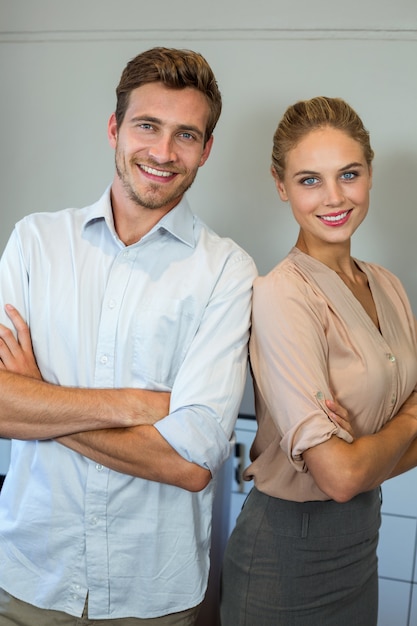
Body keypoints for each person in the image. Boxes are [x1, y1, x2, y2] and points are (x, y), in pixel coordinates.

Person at [0, 46, 257, 624]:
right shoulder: (35, 243)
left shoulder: (227, 269)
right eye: (147, 126)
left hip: (153, 594)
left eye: (186, 135)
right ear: (115, 128)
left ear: (207, 149)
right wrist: (138, 406)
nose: (164, 153)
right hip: (26, 580)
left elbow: (189, 464)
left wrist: (38, 397)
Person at [220, 96, 417, 625]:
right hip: (285, 557)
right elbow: (338, 477)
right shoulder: (282, 296)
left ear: (370, 174)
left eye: (348, 174)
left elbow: (356, 472)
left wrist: (360, 456)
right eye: (309, 180)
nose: (334, 197)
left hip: (360, 546)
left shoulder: (390, 286)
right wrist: (410, 419)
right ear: (281, 186)